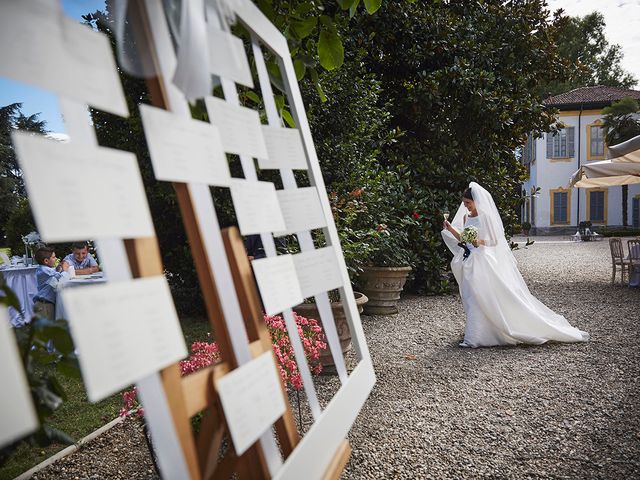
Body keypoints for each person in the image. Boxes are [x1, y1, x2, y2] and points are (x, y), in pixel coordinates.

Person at [441, 182, 589, 348]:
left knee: (482, 295)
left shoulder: (486, 217)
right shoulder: (466, 218)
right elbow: (463, 239)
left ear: (476, 201)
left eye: (468, 203)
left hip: (483, 260)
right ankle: (478, 331)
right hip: (469, 261)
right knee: (471, 296)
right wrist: (450, 229)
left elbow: (494, 241)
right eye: (465, 203)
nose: (466, 206)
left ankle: (476, 337)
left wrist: (479, 241)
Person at [33, 246, 70, 321]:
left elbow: (54, 278)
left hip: (45, 304)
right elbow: (62, 278)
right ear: (46, 261)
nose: (56, 258)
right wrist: (65, 270)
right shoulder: (44, 270)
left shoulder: (44, 269)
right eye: (53, 257)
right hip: (45, 306)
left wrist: (58, 269)